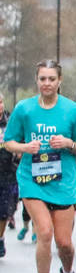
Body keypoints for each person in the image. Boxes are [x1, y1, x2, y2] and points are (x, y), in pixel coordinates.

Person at [2, 61, 76, 273]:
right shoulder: (24, 109)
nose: (47, 83)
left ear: (59, 81)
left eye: (51, 79)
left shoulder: (73, 111)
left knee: (64, 242)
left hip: (63, 181)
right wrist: (25, 147)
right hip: (33, 179)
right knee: (45, 232)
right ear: (37, 80)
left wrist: (68, 143)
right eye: (42, 79)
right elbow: (9, 142)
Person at [0, 94, 16, 258]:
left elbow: (19, 139)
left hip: (6, 172)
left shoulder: (10, 123)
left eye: (0, 102)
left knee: (3, 210)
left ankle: (0, 237)